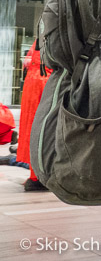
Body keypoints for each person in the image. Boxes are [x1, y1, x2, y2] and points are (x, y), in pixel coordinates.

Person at [16, 40, 51, 191]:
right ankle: (39, 177)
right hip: (44, 84)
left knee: (32, 128)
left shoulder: (40, 38)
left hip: (33, 83)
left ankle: (35, 175)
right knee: (44, 130)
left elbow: (28, 62)